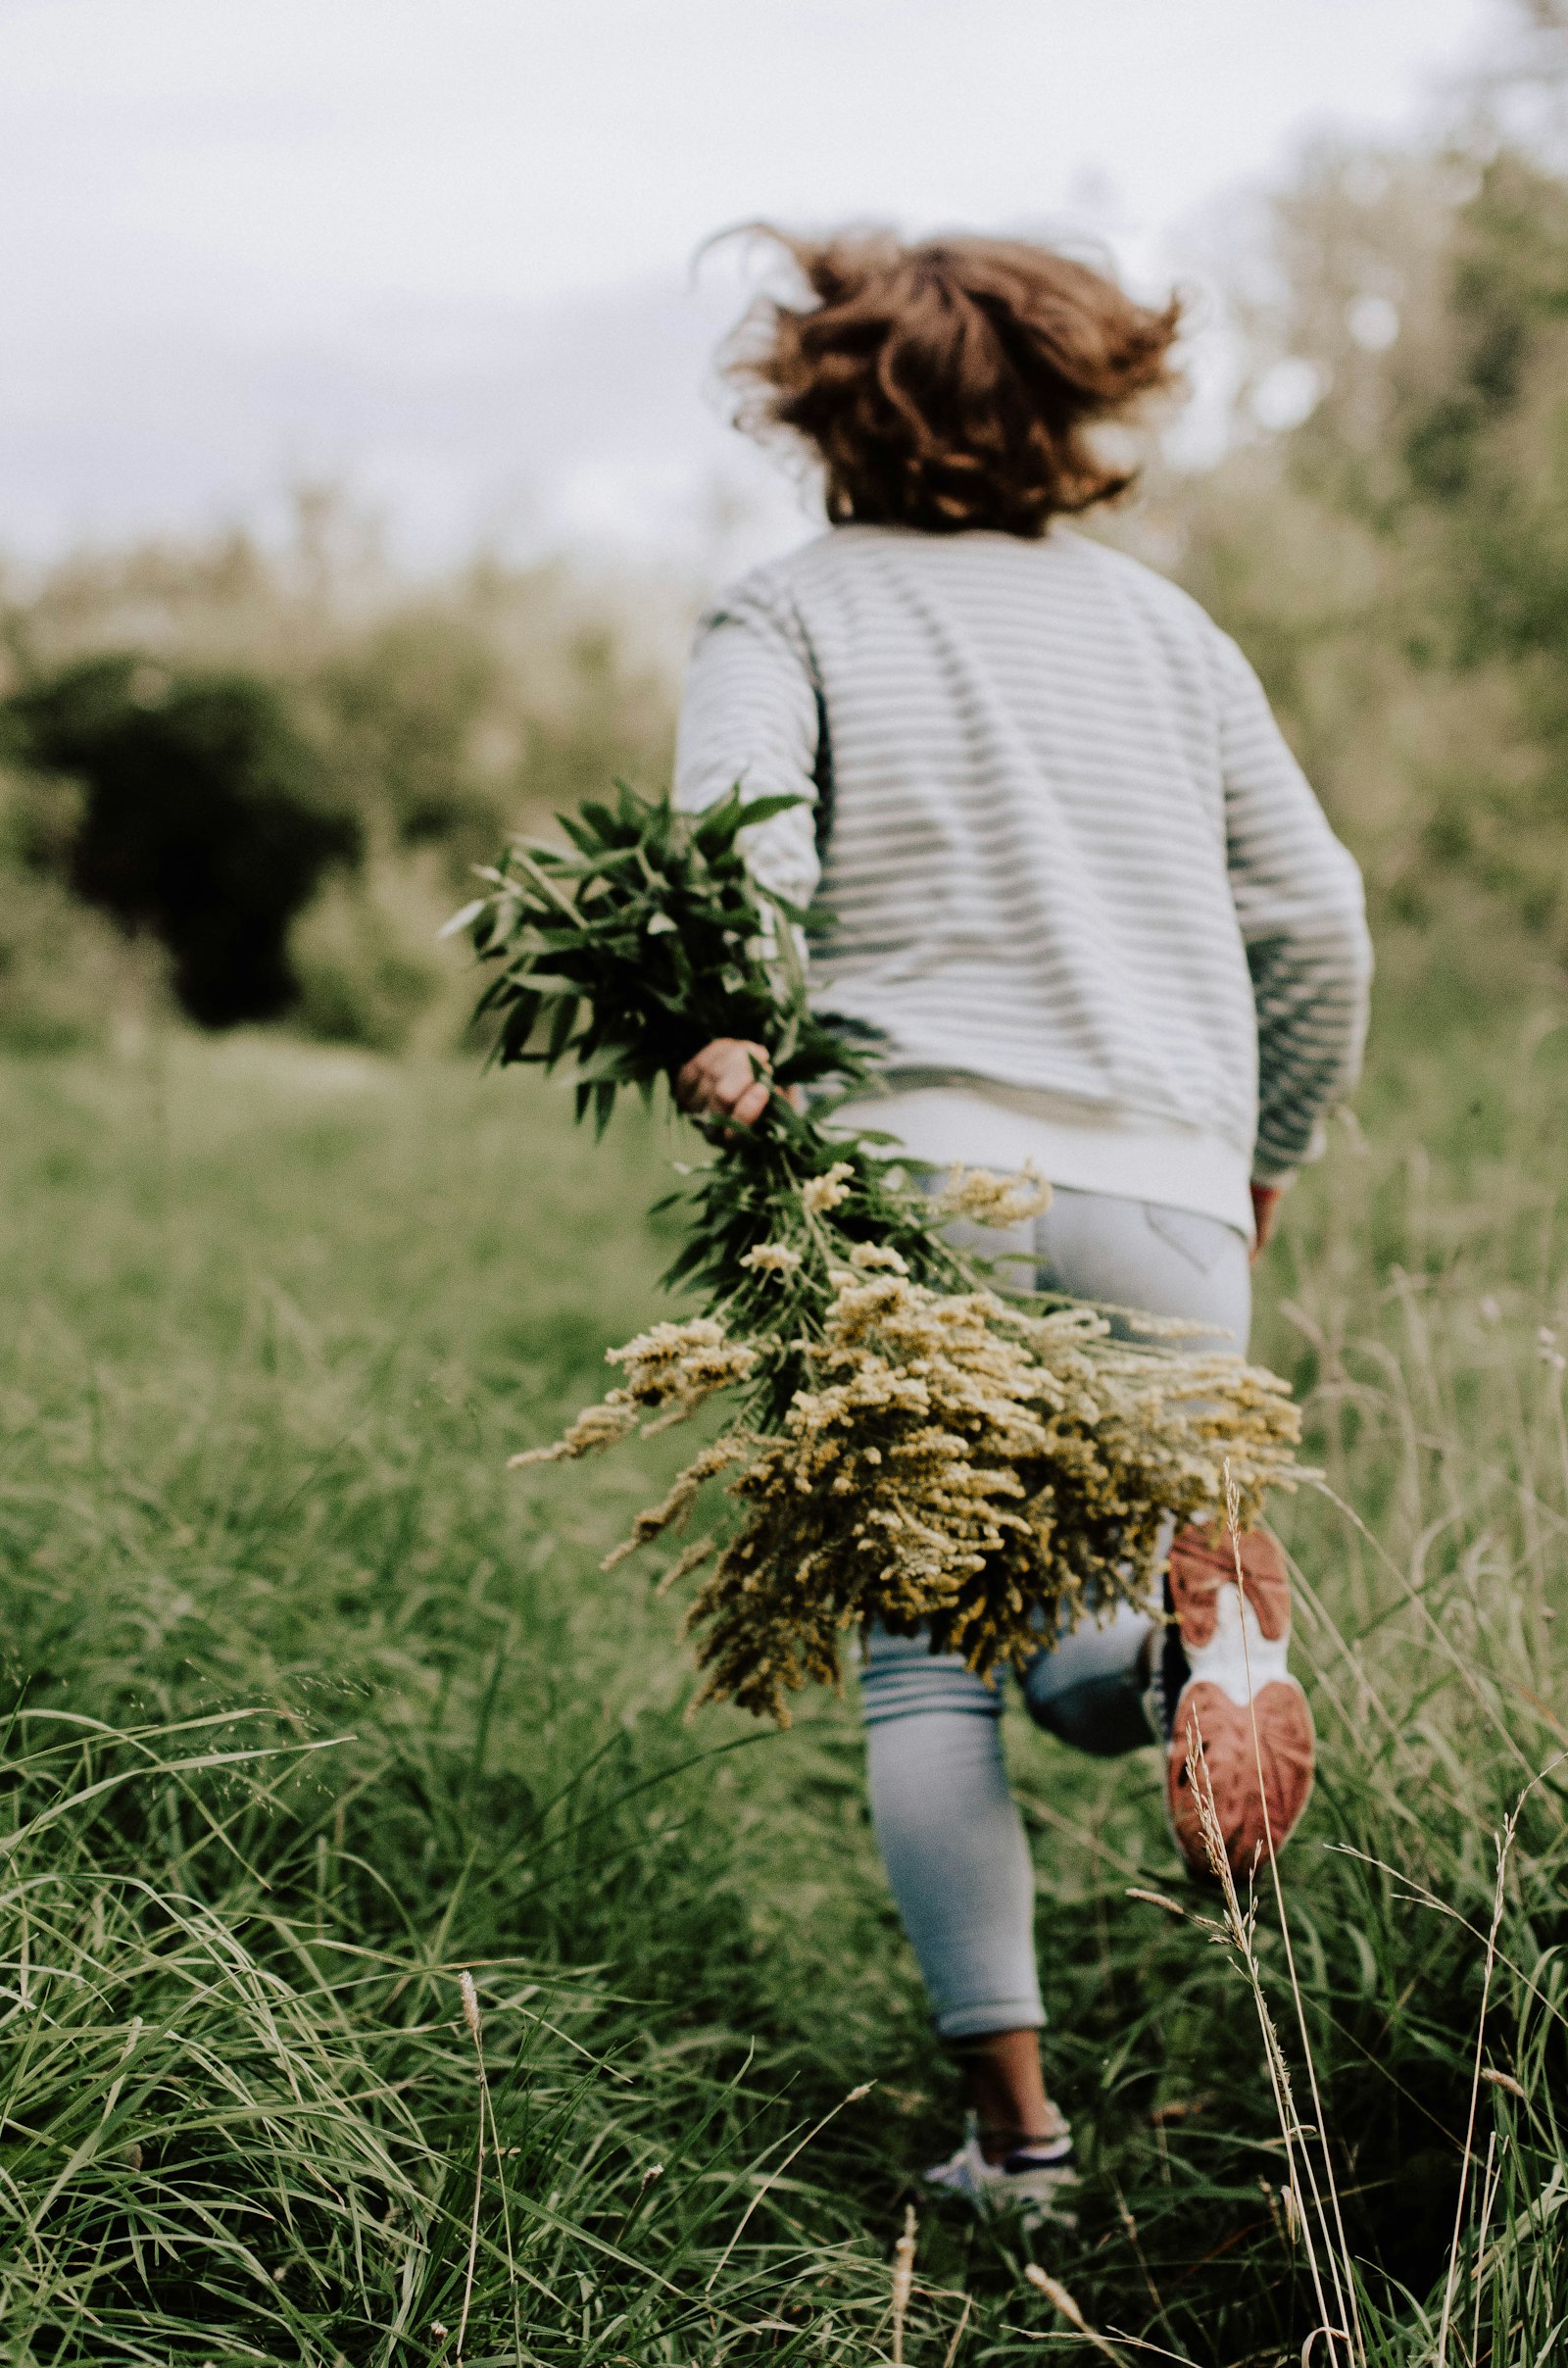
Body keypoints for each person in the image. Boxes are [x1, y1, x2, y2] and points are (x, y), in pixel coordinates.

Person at [670, 228, 1372, 2215]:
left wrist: (735, 1038)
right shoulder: (1169, 637)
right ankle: (1165, 1664)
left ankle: (1018, 2139)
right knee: (1092, 1594)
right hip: (1164, 1184)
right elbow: (1314, 914)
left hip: (913, 1190)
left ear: (823, 405)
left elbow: (740, 865)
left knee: (919, 1668)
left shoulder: (785, 609)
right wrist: (1265, 1145)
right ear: (1074, 407)